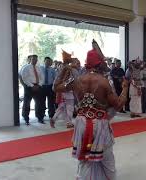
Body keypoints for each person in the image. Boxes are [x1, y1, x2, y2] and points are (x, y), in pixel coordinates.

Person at [54, 40, 129, 179]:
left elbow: (56, 87)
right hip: (100, 125)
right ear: (99, 64)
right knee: (108, 160)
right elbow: (118, 105)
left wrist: (64, 68)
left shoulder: (76, 80)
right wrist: (125, 88)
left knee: (84, 159)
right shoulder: (104, 82)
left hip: (81, 123)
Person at [51, 50, 75, 128]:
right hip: (67, 90)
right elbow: (68, 79)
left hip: (61, 90)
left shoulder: (60, 67)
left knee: (61, 107)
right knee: (70, 107)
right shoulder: (67, 68)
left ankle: (54, 119)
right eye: (70, 57)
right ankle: (69, 123)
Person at [21, 55, 45, 125]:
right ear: (30, 59)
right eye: (33, 59)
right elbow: (24, 78)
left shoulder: (39, 68)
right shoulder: (26, 68)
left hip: (38, 86)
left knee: (39, 103)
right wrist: (32, 86)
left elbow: (42, 77)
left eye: (36, 59)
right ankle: (26, 119)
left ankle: (40, 118)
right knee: (27, 103)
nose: (35, 60)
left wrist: (39, 85)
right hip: (29, 87)